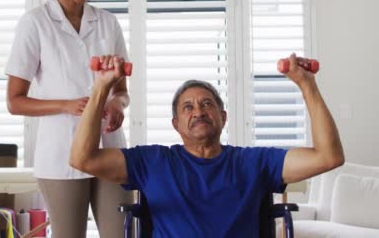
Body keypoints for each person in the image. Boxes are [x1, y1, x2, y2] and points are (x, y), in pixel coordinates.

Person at [70, 54, 345, 237]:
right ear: (176, 124)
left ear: (223, 117)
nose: (198, 111)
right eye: (187, 107)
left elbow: (328, 157)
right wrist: (102, 88)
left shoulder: (254, 162)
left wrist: (307, 86)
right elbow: (82, 159)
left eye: (207, 104)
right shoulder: (153, 161)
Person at [5, 0, 130, 237]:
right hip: (61, 155)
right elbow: (15, 101)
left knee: (121, 233)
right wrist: (68, 105)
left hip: (109, 148)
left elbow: (122, 91)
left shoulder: (108, 24)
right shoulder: (35, 24)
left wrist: (117, 105)